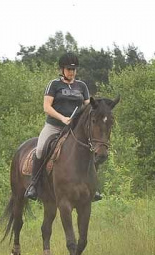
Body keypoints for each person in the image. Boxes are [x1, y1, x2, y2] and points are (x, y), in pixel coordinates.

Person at [25, 52, 101, 201]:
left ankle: (93, 186)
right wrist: (62, 118)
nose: (71, 72)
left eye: (74, 70)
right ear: (62, 70)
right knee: (40, 149)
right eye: (68, 69)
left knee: (90, 150)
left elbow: (88, 106)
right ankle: (34, 185)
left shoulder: (82, 86)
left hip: (73, 129)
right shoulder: (54, 85)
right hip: (54, 126)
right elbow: (47, 107)